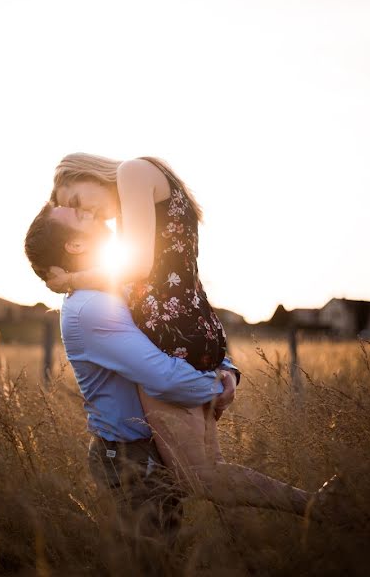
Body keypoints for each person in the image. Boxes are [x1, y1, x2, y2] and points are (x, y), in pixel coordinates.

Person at [25, 199, 334, 519]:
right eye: (79, 214)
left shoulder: (117, 286)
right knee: (154, 557)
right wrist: (214, 387)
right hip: (128, 455)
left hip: (150, 445)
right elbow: (164, 377)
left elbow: (178, 333)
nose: (91, 210)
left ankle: (316, 506)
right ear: (75, 243)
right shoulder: (92, 307)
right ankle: (316, 507)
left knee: (179, 533)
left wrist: (226, 369)